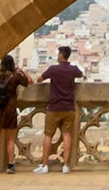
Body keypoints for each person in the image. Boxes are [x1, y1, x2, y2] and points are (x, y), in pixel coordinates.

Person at [34, 45, 81, 173]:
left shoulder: (53, 69)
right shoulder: (73, 69)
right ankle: (66, 165)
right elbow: (80, 74)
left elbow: (39, 79)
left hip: (54, 107)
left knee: (48, 135)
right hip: (69, 107)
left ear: (61, 55)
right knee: (67, 135)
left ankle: (45, 165)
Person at [0, 53, 28, 173]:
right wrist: (21, 71)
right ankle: (10, 165)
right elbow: (28, 81)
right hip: (9, 109)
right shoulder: (14, 77)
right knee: (10, 140)